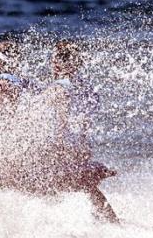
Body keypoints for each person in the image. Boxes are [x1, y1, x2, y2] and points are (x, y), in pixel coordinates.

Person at [42, 40, 119, 223]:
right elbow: (84, 123)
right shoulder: (87, 88)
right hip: (81, 148)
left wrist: (58, 149)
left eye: (53, 60)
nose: (51, 64)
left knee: (46, 186)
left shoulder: (59, 87)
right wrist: (82, 150)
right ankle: (111, 224)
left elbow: (61, 121)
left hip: (61, 149)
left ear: (59, 62)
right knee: (87, 188)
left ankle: (59, 231)